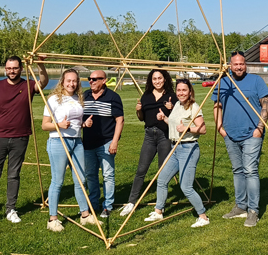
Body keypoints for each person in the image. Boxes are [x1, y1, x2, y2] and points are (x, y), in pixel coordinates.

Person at [0, 55, 48, 229]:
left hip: (21, 137)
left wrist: (41, 65)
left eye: (15, 68)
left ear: (20, 68)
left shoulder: (28, 85)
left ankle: (11, 210)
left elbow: (43, 82)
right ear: (5, 69)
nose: (11, 71)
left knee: (13, 175)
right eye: (8, 68)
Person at [213, 51, 268, 228]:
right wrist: (220, 128)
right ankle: (240, 206)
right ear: (230, 65)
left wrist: (259, 128)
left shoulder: (256, 81)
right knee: (237, 170)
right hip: (230, 134)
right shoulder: (223, 82)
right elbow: (217, 105)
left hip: (252, 134)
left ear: (246, 64)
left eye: (242, 64)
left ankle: (253, 210)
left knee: (250, 170)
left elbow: (266, 103)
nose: (239, 67)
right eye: (235, 64)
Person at [144, 78, 210, 228]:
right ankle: (158, 212)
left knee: (185, 187)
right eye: (178, 90)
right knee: (161, 180)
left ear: (190, 91)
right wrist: (165, 118)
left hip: (189, 149)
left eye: (184, 90)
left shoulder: (193, 107)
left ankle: (203, 216)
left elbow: (203, 129)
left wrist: (188, 129)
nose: (181, 93)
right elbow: (176, 126)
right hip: (175, 147)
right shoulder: (178, 105)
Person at [41, 69, 101, 232]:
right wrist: (58, 125)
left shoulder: (78, 98)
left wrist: (83, 125)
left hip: (77, 142)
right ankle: (52, 219)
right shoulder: (54, 99)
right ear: (62, 81)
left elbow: (75, 123)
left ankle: (85, 215)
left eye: (74, 81)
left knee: (81, 180)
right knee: (58, 181)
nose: (71, 84)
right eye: (68, 80)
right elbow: (44, 125)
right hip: (58, 142)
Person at [120, 69, 177, 217]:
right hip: (149, 136)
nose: (157, 81)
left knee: (162, 172)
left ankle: (160, 205)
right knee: (141, 170)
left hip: (165, 136)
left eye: (159, 78)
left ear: (165, 79)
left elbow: (177, 119)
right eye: (154, 79)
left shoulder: (171, 96)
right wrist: (138, 110)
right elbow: (141, 118)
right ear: (151, 81)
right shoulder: (146, 96)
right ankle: (131, 202)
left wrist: (171, 110)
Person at [82, 70, 124, 218]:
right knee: (91, 175)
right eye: (90, 79)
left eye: (95, 79)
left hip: (106, 142)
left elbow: (119, 120)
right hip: (88, 143)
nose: (91, 81)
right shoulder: (84, 96)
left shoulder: (113, 97)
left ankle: (107, 205)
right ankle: (93, 204)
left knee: (108, 175)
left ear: (104, 80)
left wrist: (114, 141)